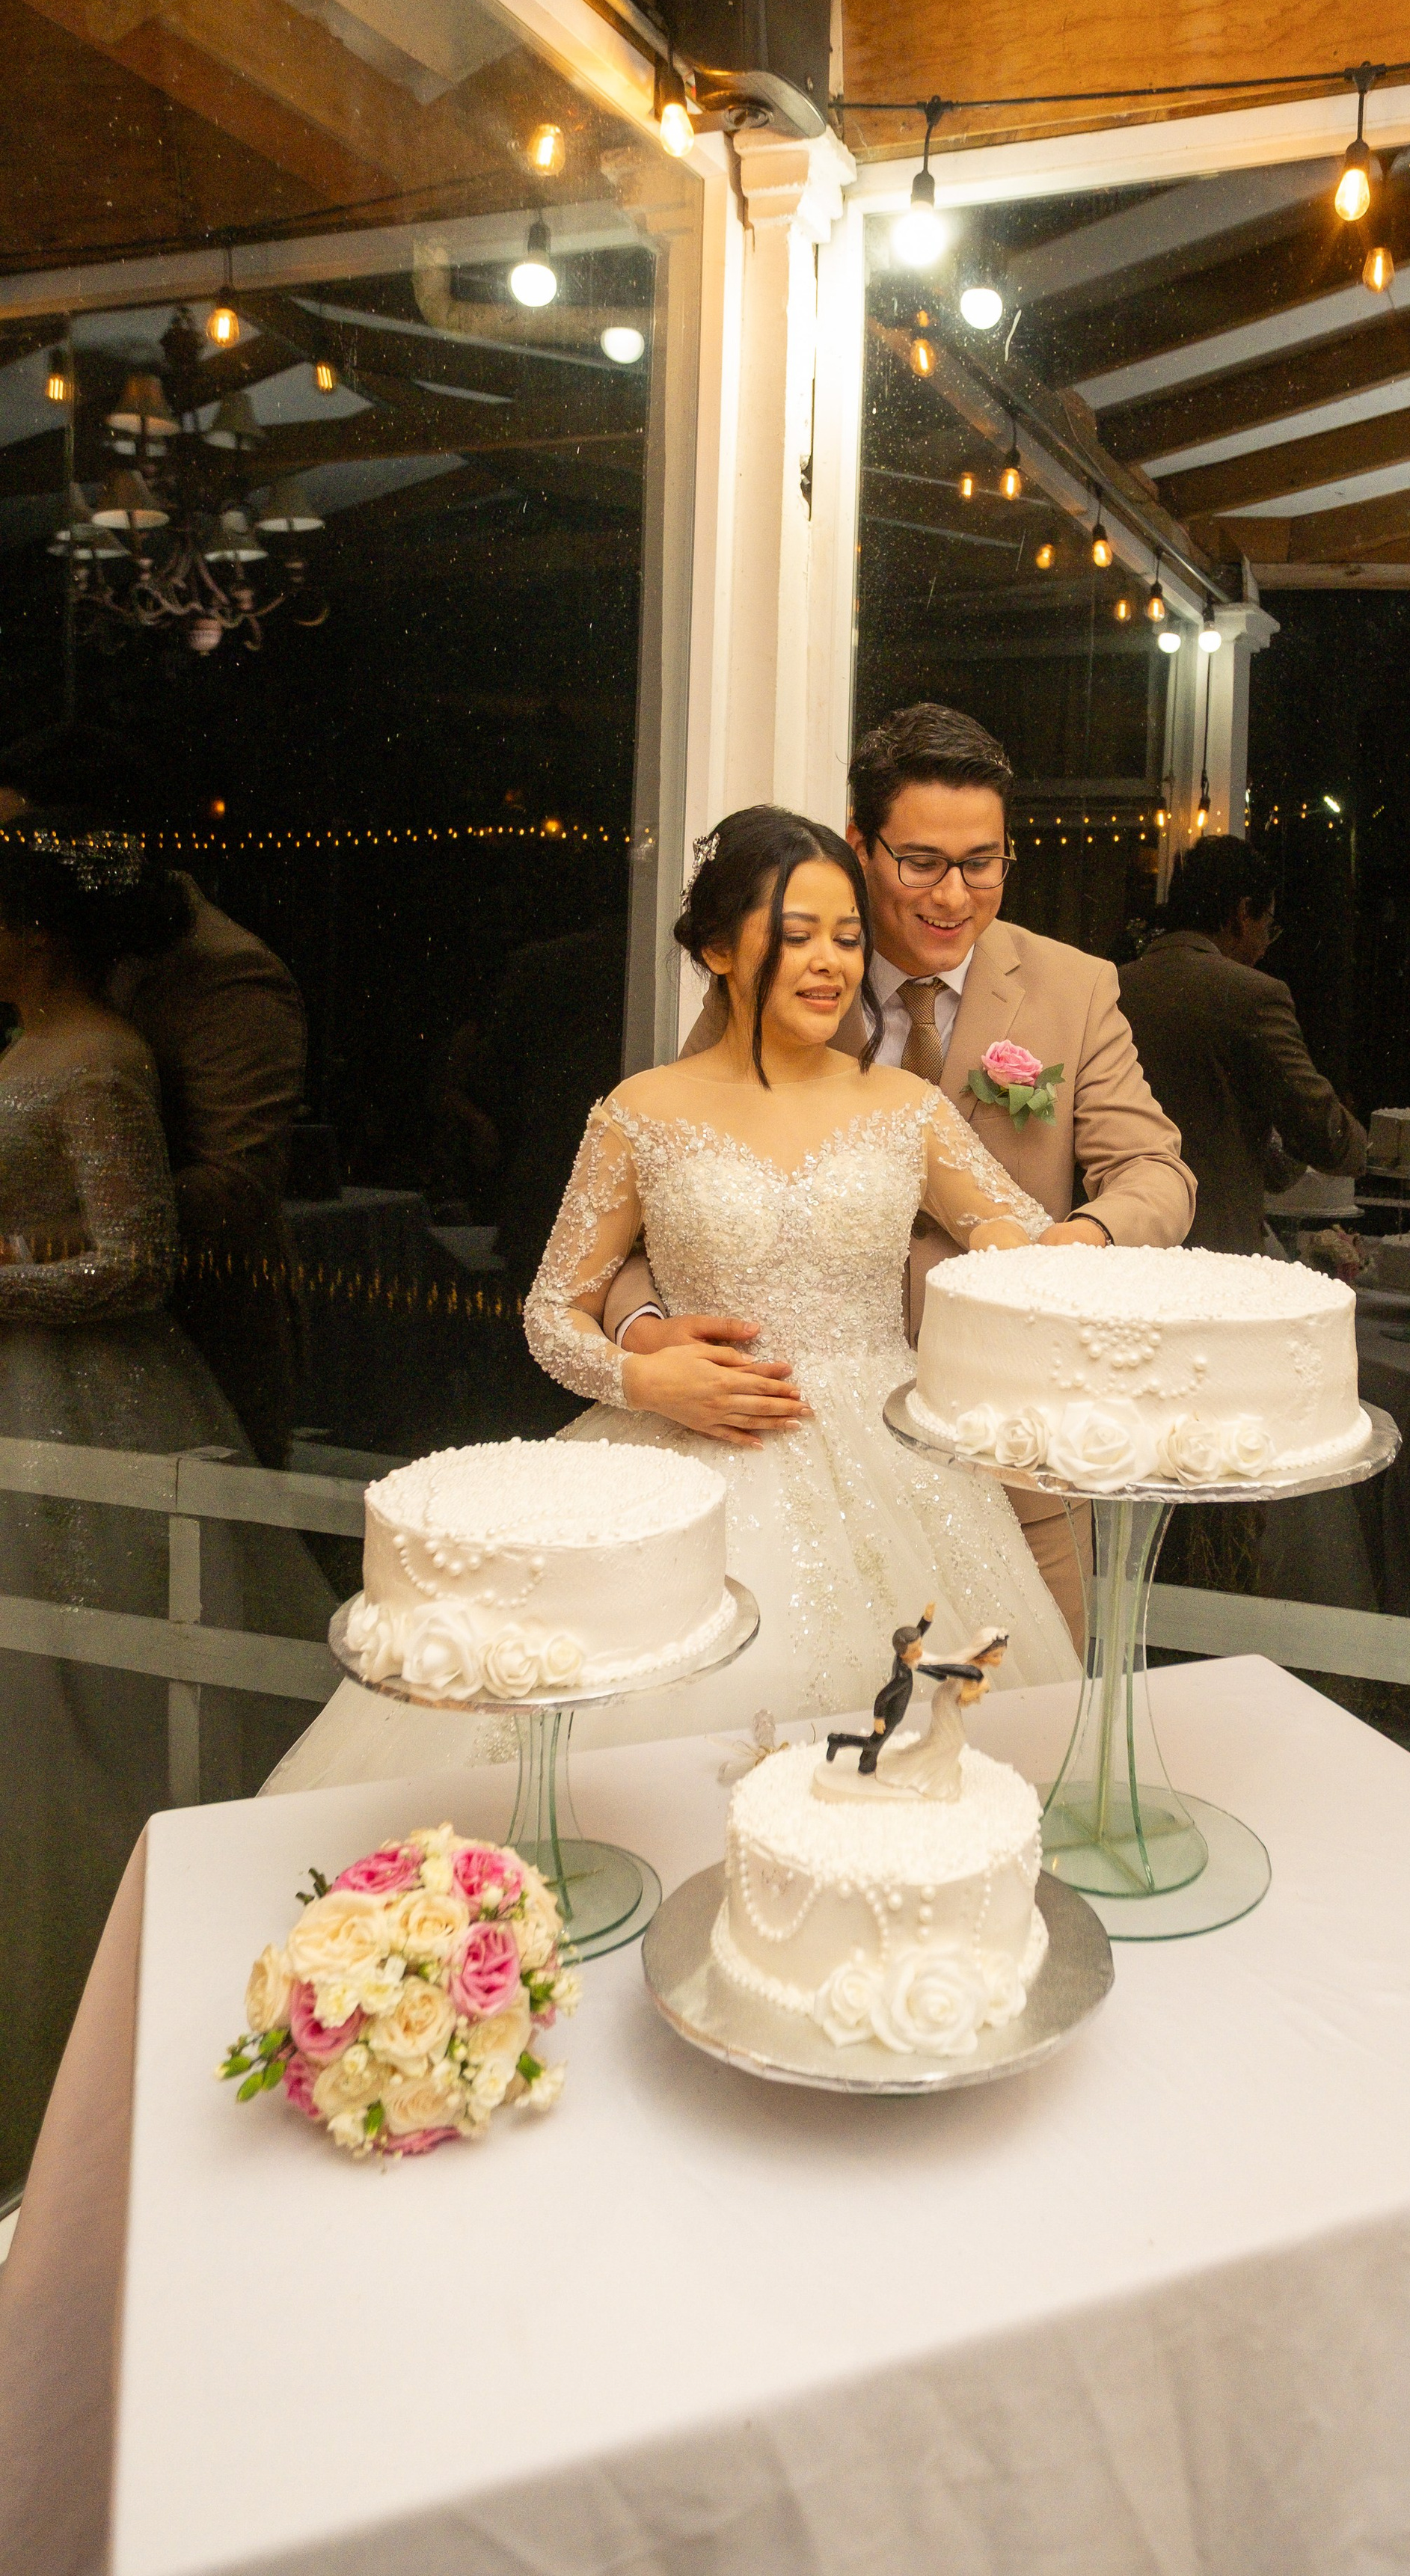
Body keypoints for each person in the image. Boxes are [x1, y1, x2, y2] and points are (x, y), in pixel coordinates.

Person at [263, 806, 1079, 1792]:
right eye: (795, 935)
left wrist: (1027, 1261)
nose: (829, 963)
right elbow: (552, 1309)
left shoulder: (907, 1107)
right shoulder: (643, 1113)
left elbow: (1025, 1245)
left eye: (847, 938)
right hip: (689, 1462)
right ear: (716, 950)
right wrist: (644, 1380)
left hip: (894, 1461)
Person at [603, 705, 1195, 1635]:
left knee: (1024, 1724)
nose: (952, 896)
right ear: (860, 846)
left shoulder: (1072, 987)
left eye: (981, 863)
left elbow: (1157, 1174)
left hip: (1009, 1441)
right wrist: (643, 1332)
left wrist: (1064, 1247)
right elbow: (668, 1193)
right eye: (920, 862)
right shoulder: (778, 972)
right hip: (797, 1451)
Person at [0, 816, 325, 2185]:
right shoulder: (27, 1049)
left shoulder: (101, 1059)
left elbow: (138, 1262)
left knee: (105, 1701)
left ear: (28, 931)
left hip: (94, 1400)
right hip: (28, 1392)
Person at [0, 728, 306, 1467]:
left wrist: (32, 1239)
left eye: (13, 834)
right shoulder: (44, 1005)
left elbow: (233, 1184)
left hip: (170, 1343)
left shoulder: (226, 975)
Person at [1117, 835, 1364, 1254]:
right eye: (1267, 925)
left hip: (1116, 1236)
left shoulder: (1109, 985)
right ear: (1241, 913)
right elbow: (1319, 1130)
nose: (1266, 945)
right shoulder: (1253, 996)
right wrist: (1364, 1146)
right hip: (1211, 1244)